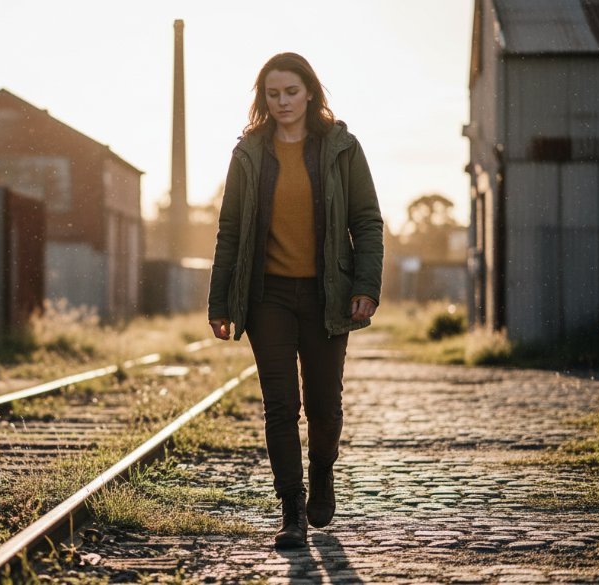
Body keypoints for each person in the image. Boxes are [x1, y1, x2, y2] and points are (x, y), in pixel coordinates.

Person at [207, 52, 383, 548]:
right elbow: (229, 231)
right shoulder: (249, 153)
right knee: (280, 406)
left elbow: (366, 220)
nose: (282, 102)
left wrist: (365, 286)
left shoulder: (341, 148)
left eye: (290, 92)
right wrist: (219, 302)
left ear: (309, 93)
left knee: (324, 406)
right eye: (272, 93)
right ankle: (291, 510)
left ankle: (322, 472)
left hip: (327, 295)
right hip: (268, 297)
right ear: (263, 98)